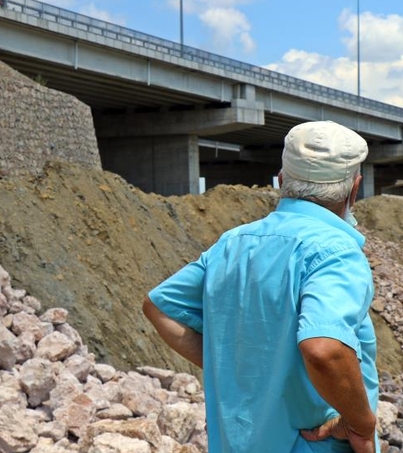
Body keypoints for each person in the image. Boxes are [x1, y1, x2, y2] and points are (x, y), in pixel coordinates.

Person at [143, 120, 379, 453]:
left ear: (282, 182)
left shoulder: (233, 243)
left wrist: (234, 367)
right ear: (355, 189)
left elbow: (159, 306)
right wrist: (360, 424)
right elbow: (324, 349)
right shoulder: (336, 252)